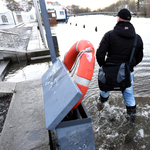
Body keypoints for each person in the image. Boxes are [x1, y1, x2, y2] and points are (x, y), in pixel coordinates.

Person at [96, 8, 143, 120]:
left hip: (109, 72)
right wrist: (130, 66)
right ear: (129, 20)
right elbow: (139, 57)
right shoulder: (137, 38)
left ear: (118, 18)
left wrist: (104, 67)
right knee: (128, 94)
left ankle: (101, 109)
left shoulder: (109, 35)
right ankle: (131, 121)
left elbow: (99, 54)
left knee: (105, 90)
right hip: (127, 73)